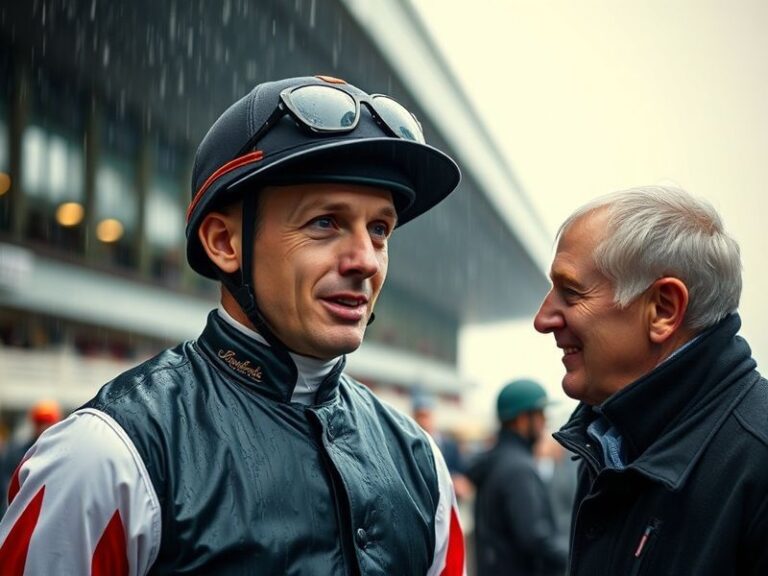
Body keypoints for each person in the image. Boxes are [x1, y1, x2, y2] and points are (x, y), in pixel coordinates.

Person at [0, 75, 466, 575]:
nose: (366, 260)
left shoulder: (422, 463)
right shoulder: (103, 456)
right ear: (224, 242)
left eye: (379, 229)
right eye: (325, 222)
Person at [534, 185, 768, 575]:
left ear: (663, 309)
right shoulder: (607, 443)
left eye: (571, 293)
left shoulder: (757, 462)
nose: (543, 320)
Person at [467, 379, 568, 576]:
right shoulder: (518, 468)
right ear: (522, 419)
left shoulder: (497, 459)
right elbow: (534, 537)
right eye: (540, 414)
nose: (544, 422)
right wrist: (570, 557)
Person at [0, 400, 62, 516]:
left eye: (47, 422)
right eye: (40, 422)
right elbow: (5, 484)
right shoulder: (18, 451)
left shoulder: (61, 452)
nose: (44, 427)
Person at [412, 391, 473, 501]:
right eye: (419, 416)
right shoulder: (409, 444)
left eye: (426, 416)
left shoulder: (450, 446)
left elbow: (460, 472)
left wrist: (458, 481)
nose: (422, 421)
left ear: (433, 416)